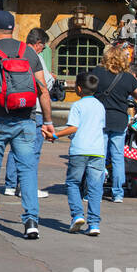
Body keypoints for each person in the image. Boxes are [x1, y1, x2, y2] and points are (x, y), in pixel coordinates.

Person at [0, 11, 55, 238]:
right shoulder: (28, 51)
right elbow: (43, 90)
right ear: (13, 29)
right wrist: (47, 121)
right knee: (27, 169)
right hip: (27, 120)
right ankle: (31, 222)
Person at [89, 42, 137, 203]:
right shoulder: (127, 77)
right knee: (117, 156)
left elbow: (87, 89)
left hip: (100, 119)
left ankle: (96, 190)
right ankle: (118, 192)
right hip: (120, 120)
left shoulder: (98, 72)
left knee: (98, 156)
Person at [3, 27, 55, 200]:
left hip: (17, 106)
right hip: (36, 108)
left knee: (16, 147)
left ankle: (10, 184)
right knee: (33, 150)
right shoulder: (36, 57)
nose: (43, 49)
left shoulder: (16, 54)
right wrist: (52, 78)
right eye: (44, 46)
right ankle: (27, 186)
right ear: (38, 43)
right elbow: (45, 83)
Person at [55, 72, 106, 236]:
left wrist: (55, 135)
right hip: (98, 151)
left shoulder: (77, 105)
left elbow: (73, 127)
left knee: (73, 183)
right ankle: (94, 223)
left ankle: (77, 214)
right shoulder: (100, 106)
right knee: (95, 187)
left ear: (78, 88)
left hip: (79, 150)